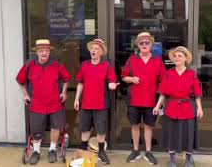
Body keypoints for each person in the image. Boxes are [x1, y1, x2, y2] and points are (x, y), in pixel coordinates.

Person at [16, 39, 71, 165]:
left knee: (56, 127)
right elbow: (20, 80)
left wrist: (64, 92)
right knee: (36, 130)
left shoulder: (56, 64)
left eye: (46, 50)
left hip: (55, 103)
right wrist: (25, 95)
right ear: (37, 52)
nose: (44, 53)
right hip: (37, 104)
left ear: (49, 52)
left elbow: (66, 78)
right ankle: (36, 151)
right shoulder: (29, 64)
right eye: (41, 51)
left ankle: (52, 149)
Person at [153, 46, 204, 167]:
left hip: (188, 108)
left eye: (179, 56)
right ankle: (172, 159)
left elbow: (197, 93)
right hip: (171, 108)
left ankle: (188, 159)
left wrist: (200, 108)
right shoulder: (168, 73)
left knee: (188, 134)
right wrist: (157, 106)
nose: (177, 58)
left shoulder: (192, 74)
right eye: (175, 56)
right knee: (172, 134)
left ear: (186, 58)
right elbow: (163, 93)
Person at [122, 32, 166, 165]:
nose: (144, 44)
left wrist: (160, 103)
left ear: (151, 44)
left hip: (150, 100)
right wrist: (131, 79)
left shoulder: (158, 61)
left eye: (147, 42)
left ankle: (148, 151)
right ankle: (135, 150)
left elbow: (163, 82)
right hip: (134, 100)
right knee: (135, 126)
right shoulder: (131, 59)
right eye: (142, 42)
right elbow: (123, 77)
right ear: (137, 45)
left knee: (148, 127)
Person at [74, 39, 119, 165]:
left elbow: (111, 82)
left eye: (96, 49)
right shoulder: (84, 65)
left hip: (101, 104)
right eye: (92, 48)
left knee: (101, 130)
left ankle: (101, 152)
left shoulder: (106, 66)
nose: (93, 50)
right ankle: (83, 150)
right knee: (84, 128)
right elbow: (80, 83)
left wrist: (113, 86)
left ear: (101, 52)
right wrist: (77, 99)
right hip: (86, 103)